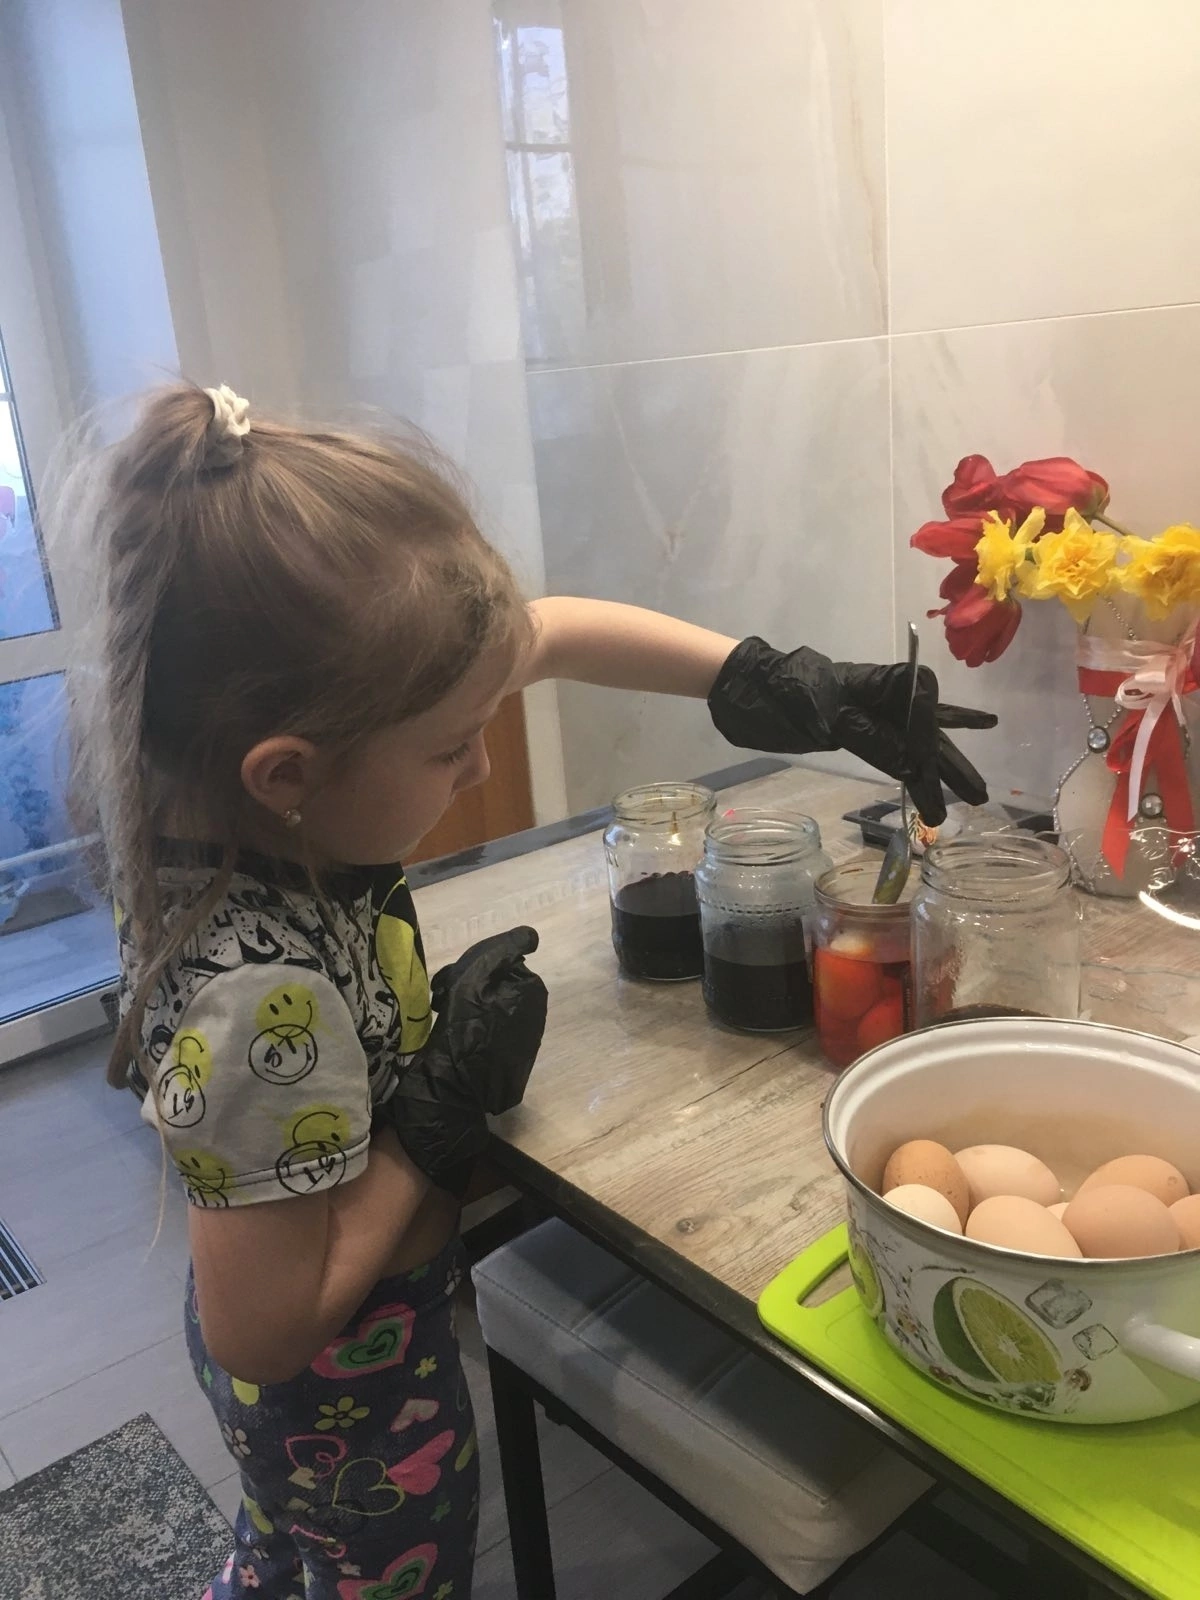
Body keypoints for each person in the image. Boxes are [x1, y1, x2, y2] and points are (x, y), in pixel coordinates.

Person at [63, 382, 994, 1600]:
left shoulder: (228, 805)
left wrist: (764, 677)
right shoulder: (255, 993)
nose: (482, 762)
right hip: (343, 1391)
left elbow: (545, 634)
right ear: (286, 771)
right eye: (451, 746)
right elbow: (263, 1327)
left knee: (282, 1554)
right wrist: (430, 1117)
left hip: (344, 1341)